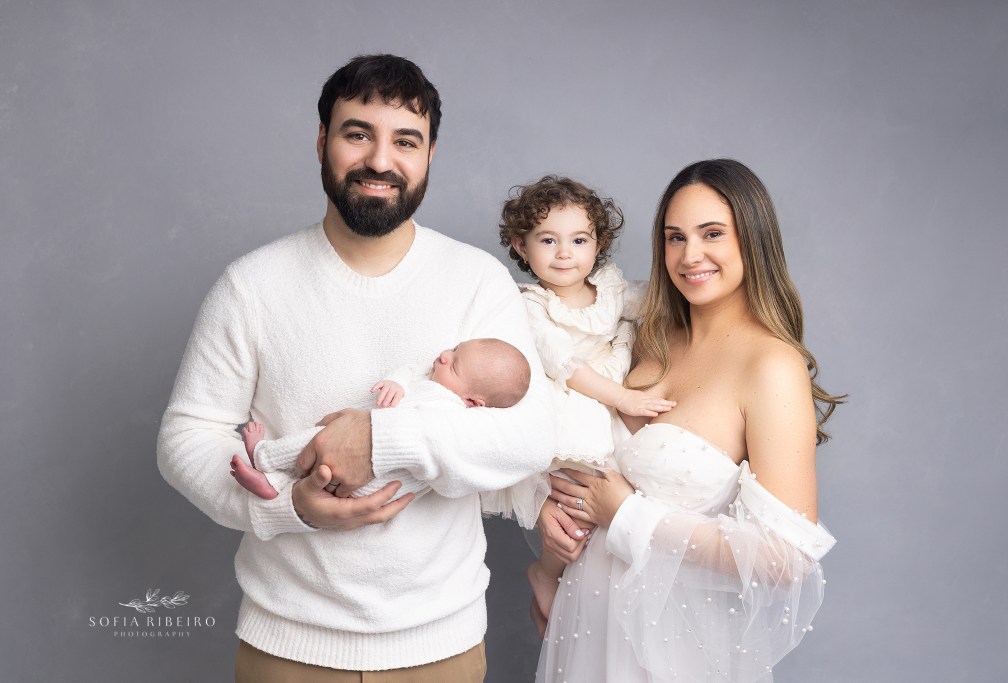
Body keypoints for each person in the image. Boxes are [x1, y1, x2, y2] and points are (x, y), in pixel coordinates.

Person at [157, 54, 554, 682]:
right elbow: (186, 437)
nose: (380, 160)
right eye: (356, 133)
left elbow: (530, 435)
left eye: (405, 140)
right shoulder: (251, 285)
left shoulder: (476, 281)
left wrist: (379, 439)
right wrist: (287, 507)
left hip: (441, 651)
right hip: (286, 651)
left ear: (430, 156)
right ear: (322, 142)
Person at [534, 159, 844, 682]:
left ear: (754, 239)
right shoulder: (643, 336)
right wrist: (549, 511)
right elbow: (570, 436)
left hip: (677, 645)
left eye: (712, 234)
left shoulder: (770, 365)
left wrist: (628, 514)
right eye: (674, 237)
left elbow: (787, 558)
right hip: (586, 617)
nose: (689, 255)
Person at [485, 175, 675, 636]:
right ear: (521, 246)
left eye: (579, 240)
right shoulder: (530, 304)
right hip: (570, 403)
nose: (565, 253)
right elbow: (566, 367)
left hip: (607, 399)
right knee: (573, 505)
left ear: (598, 244)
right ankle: (546, 573)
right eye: (548, 240)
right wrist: (626, 397)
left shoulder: (609, 289)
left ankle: (606, 592)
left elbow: (656, 300)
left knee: (625, 497)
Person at [230, 337, 531, 508]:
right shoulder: (432, 380)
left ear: (473, 402)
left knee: (315, 441)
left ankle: (263, 457)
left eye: (454, 363)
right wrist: (396, 383)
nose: (442, 356)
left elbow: (436, 442)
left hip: (382, 481)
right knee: (316, 458)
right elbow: (409, 372)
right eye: (453, 348)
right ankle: (273, 486)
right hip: (370, 483)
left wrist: (380, 435)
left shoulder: (449, 410)